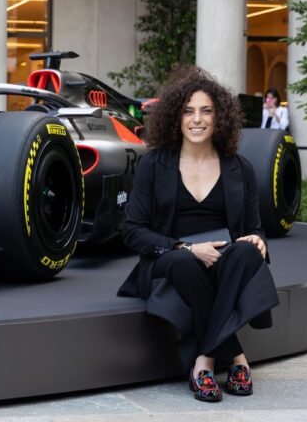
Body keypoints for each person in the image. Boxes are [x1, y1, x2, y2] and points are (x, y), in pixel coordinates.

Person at [117, 66, 279, 403]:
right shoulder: (154, 164)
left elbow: (254, 228)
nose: (197, 119)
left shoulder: (240, 168)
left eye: (206, 111)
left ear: (219, 117)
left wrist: (258, 240)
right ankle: (235, 357)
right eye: (188, 111)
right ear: (175, 117)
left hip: (222, 258)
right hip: (170, 259)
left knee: (247, 252)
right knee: (185, 263)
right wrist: (187, 247)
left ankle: (204, 359)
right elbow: (132, 230)